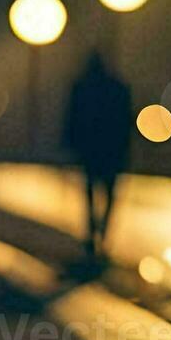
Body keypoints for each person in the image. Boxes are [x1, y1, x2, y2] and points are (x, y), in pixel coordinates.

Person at [63, 51, 133, 260]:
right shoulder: (118, 88)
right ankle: (103, 232)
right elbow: (126, 119)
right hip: (113, 150)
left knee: (91, 194)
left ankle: (93, 232)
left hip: (91, 150)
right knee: (110, 194)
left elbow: (72, 119)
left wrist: (70, 144)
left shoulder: (82, 88)